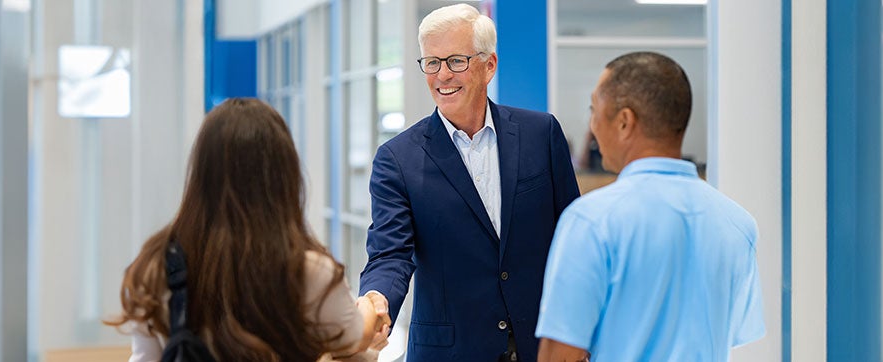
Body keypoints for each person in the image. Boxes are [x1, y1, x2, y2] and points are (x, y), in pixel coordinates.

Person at [356, 3, 582, 361]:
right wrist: (375, 299)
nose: (442, 75)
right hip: (451, 352)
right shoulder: (398, 159)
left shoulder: (541, 134)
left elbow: (573, 239)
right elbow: (390, 254)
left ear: (489, 65)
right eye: (432, 63)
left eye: (455, 61)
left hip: (540, 345)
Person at [106, 98, 391, 361]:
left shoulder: (156, 267)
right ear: (285, 175)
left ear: (201, 174)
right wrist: (370, 303)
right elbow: (355, 338)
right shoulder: (309, 271)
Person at [534, 52, 765, 361]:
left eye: (594, 110)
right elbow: (737, 337)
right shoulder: (738, 223)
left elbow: (560, 355)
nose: (593, 125)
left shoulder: (592, 220)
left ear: (624, 122)